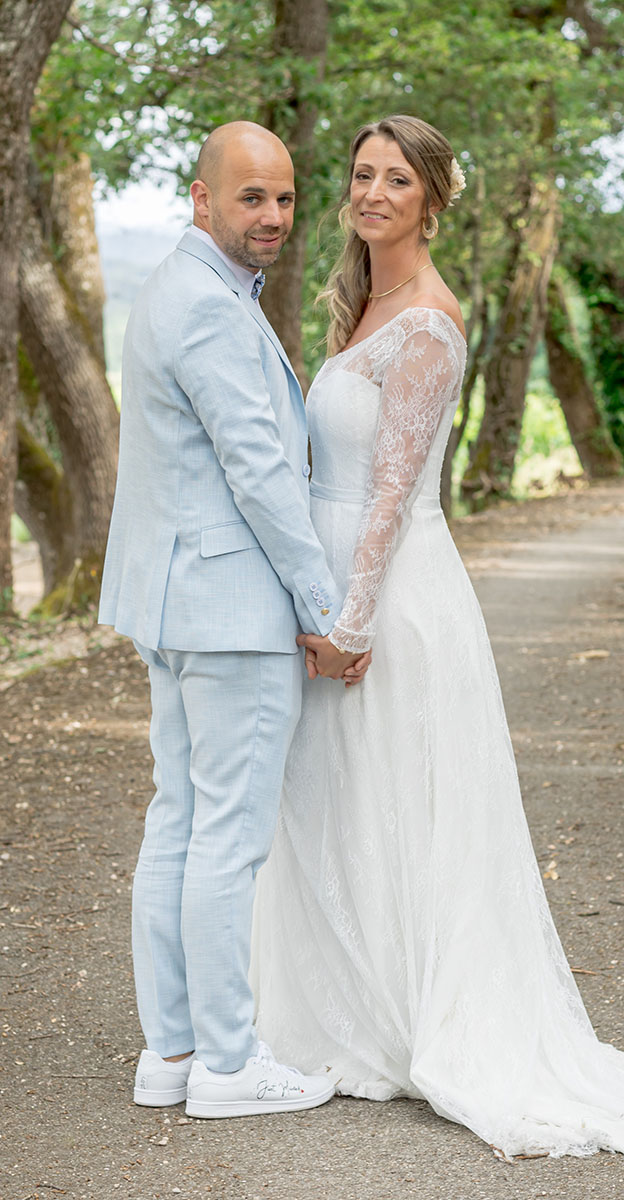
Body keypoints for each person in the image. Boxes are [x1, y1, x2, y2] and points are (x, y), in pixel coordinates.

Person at [250, 115, 624, 1172]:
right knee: (335, 796)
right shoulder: (362, 307)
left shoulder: (430, 326)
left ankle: (415, 1017)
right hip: (329, 576)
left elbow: (395, 493)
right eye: (360, 175)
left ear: (432, 201)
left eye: (396, 179)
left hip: (389, 595)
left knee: (397, 798)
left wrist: (350, 620)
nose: (370, 193)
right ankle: (346, 1007)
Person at [98, 121, 367, 1119]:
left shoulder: (185, 288)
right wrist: (324, 610)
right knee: (225, 837)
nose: (273, 217)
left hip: (176, 604)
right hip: (230, 611)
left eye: (286, 199)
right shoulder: (206, 306)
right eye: (251, 197)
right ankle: (225, 1063)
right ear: (201, 197)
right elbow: (259, 472)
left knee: (179, 823)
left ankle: (170, 1051)